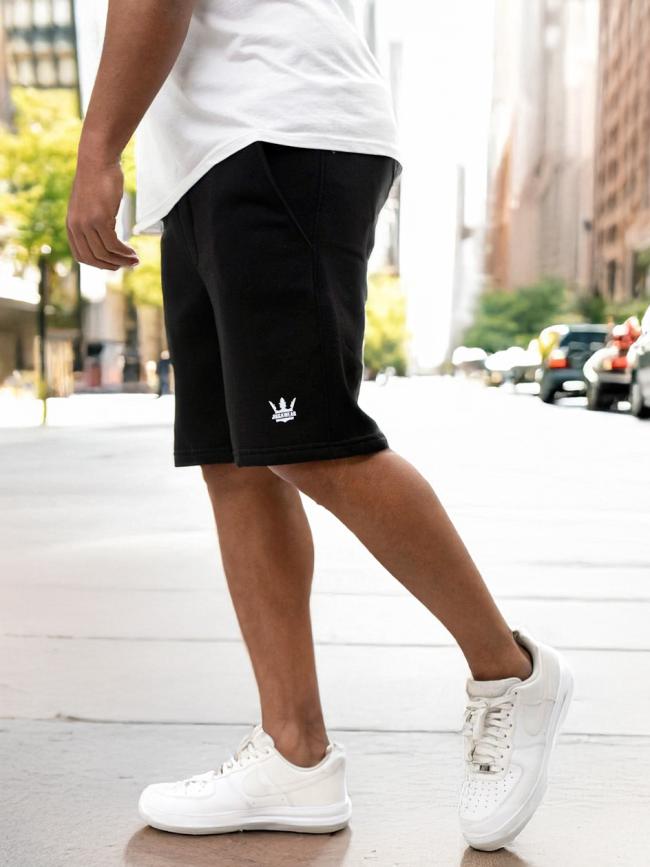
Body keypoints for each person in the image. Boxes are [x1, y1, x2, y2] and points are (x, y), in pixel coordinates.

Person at [66, 0, 573, 853]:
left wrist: (97, 150)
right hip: (207, 157)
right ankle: (294, 753)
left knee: (313, 441)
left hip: (275, 129)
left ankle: (510, 672)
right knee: (234, 459)